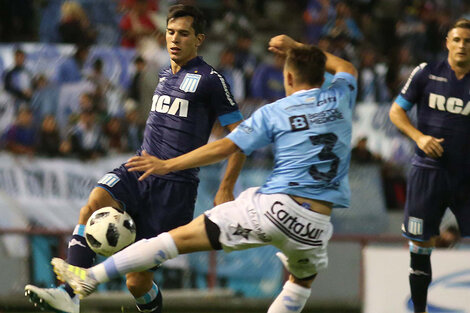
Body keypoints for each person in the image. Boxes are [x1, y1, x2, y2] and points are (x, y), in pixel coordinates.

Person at [51, 34, 358, 313]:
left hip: (274, 209)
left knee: (173, 240)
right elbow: (346, 66)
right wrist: (298, 48)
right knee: (299, 285)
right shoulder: (342, 96)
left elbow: (224, 147)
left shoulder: (275, 111)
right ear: (323, 76)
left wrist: (168, 164)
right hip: (315, 225)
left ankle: (89, 277)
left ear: (288, 77)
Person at [25, 4, 245, 313]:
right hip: (139, 168)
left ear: (200, 39)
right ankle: (69, 294)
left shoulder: (211, 79)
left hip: (175, 189)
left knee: (136, 283)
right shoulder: (164, 72)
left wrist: (226, 187)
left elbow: (243, 136)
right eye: (170, 32)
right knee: (95, 202)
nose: (175, 39)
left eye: (184, 34)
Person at [388, 18, 470, 313]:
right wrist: (418, 137)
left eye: (468, 41)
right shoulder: (427, 72)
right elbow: (396, 111)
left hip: (467, 177)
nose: (462, 45)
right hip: (428, 172)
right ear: (447, 43)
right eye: (457, 39)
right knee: (420, 246)